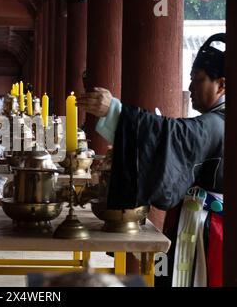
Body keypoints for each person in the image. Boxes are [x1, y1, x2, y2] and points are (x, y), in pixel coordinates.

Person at [82, 33, 226, 287]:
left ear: (222, 85)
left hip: (207, 226)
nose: (191, 88)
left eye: (198, 80)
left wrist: (115, 112)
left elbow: (175, 135)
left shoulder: (217, 123)